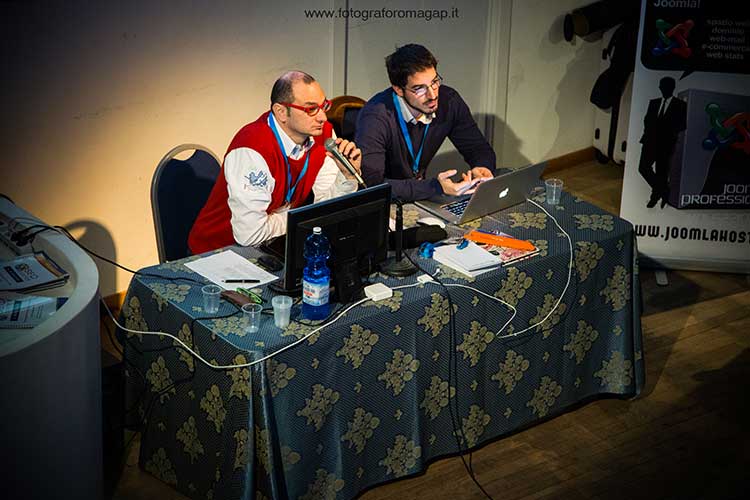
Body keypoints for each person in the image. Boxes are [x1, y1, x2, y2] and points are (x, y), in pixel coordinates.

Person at [188, 71, 362, 254]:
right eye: (311, 109)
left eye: (324, 105)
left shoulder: (322, 134)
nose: (323, 117)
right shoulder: (253, 148)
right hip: (218, 251)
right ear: (281, 112)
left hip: (273, 245)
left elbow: (326, 207)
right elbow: (250, 235)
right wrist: (301, 217)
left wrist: (347, 176)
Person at [355, 44, 496, 201]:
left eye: (434, 82)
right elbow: (371, 186)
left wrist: (482, 167)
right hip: (387, 203)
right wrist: (435, 187)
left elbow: (478, 148)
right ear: (399, 90)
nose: (432, 95)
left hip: (421, 197)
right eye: (419, 89)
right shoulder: (375, 117)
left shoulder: (449, 101)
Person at [637, 76, 687, 209]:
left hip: (666, 144)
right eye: (662, 86)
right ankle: (664, 191)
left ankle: (655, 196)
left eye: (666, 86)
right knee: (643, 168)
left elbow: (682, 125)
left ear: (672, 88)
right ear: (660, 87)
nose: (663, 89)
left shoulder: (680, 105)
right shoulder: (653, 103)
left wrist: (669, 133)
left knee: (662, 172)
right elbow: (647, 120)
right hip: (649, 142)